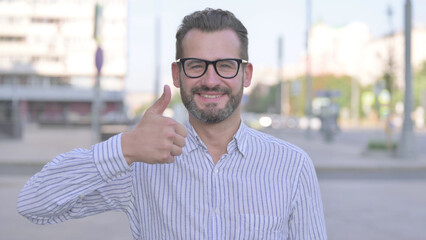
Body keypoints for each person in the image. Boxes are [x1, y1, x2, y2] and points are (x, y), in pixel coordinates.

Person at [17, 8, 327, 239]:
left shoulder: (292, 165)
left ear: (246, 75)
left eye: (225, 66)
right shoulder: (141, 163)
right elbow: (33, 204)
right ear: (177, 75)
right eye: (196, 66)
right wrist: (124, 148)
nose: (210, 80)